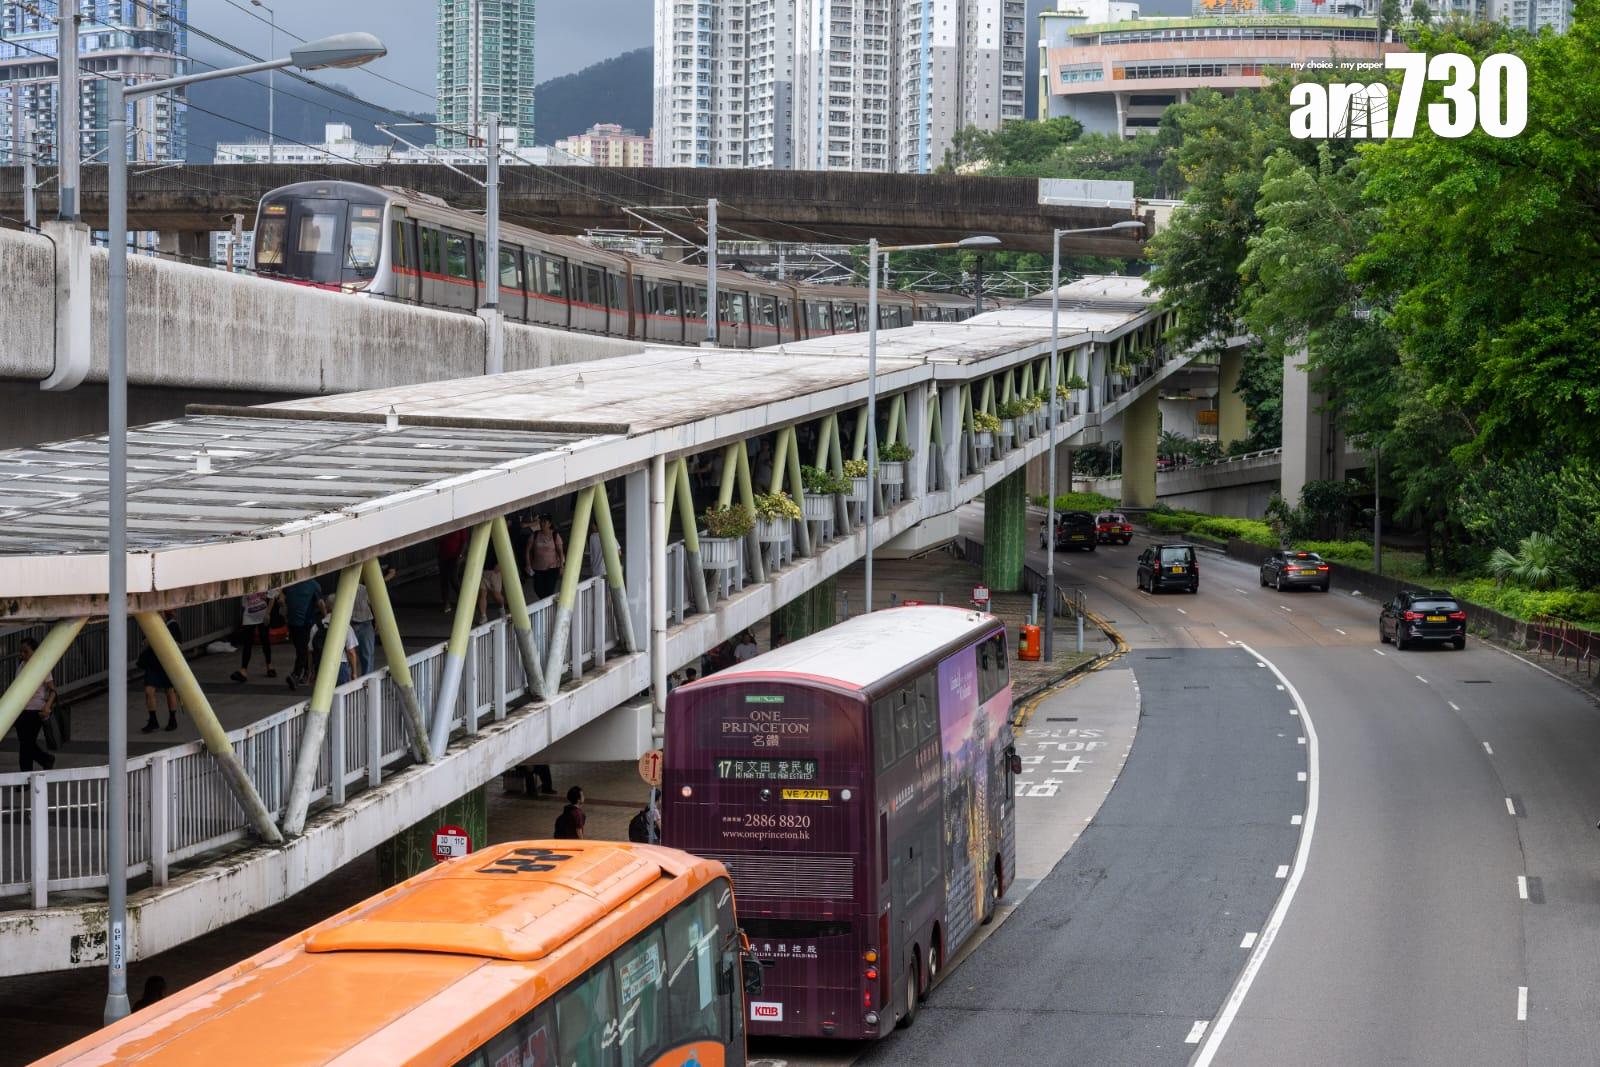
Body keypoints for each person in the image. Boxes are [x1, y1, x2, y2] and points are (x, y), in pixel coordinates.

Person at [14, 638, 56, 771]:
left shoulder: (42, 666)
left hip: (35, 710)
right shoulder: (21, 665)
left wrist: (47, 706)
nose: (22, 654)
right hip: (21, 709)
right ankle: (45, 759)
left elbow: (53, 690)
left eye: (25, 652)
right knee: (26, 744)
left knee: (26, 745)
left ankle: (26, 776)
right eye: (21, 651)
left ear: (35, 652)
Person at [137, 611, 183, 733]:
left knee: (169, 690)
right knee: (149, 690)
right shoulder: (151, 624)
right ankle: (153, 720)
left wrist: (161, 638)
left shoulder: (172, 625)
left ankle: (172, 718)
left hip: (167, 662)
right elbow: (144, 642)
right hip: (153, 662)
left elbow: (178, 644)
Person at [281, 576, 324, 691]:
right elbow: (320, 603)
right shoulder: (310, 584)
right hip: (299, 623)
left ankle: (296, 675)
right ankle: (304, 673)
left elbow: (320, 602)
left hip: (299, 623)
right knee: (301, 650)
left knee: (302, 650)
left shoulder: (305, 584)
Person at [230, 588, 278, 683]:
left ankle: (269, 665)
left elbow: (272, 597)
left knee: (265, 640)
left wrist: (268, 614)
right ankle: (243, 670)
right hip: (249, 616)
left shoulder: (264, 580)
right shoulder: (246, 583)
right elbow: (244, 603)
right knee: (247, 643)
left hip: (263, 615)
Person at [527, 515, 565, 601]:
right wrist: (528, 564)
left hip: (552, 567)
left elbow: (560, 551)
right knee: (537, 589)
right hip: (538, 568)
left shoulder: (555, 535)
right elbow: (528, 550)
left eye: (544, 522)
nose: (542, 524)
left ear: (549, 524)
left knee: (549, 589)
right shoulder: (535, 535)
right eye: (541, 522)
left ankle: (546, 605)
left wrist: (562, 566)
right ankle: (546, 603)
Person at [437, 530, 468, 612]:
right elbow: (436, 541)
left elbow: (464, 541)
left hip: (455, 556)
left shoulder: (460, 525)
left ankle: (463, 600)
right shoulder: (443, 526)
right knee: (444, 580)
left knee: (453, 578)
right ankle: (446, 603)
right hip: (443, 556)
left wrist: (461, 555)